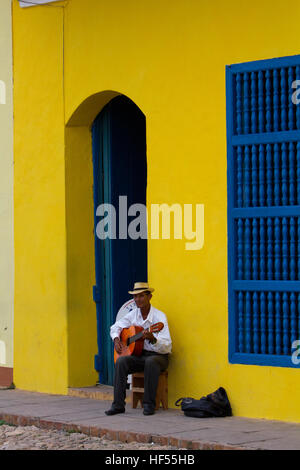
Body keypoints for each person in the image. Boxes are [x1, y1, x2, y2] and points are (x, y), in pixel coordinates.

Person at [105, 282, 172, 416]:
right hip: (141, 355)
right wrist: (117, 340)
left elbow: (167, 346)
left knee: (151, 362)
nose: (137, 300)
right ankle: (118, 405)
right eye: (135, 297)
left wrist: (153, 338)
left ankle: (149, 405)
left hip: (160, 356)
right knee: (121, 362)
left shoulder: (159, 317)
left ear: (149, 297)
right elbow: (115, 327)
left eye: (141, 296)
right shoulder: (133, 314)